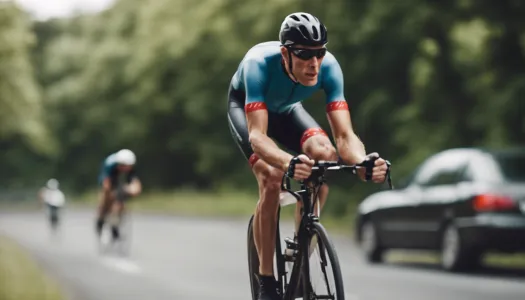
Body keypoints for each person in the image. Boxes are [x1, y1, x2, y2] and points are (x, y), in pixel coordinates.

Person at [227, 12, 390, 300]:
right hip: (247, 110)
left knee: (324, 156)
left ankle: (300, 253)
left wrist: (363, 162)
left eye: (319, 53)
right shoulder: (257, 66)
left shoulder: (329, 68)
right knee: (272, 177)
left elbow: (344, 136)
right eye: (304, 54)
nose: (314, 63)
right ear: (285, 54)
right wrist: (288, 162)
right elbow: (257, 136)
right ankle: (266, 280)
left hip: (288, 110)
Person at [95, 148, 142, 240]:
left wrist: (132, 190)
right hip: (109, 178)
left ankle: (115, 223)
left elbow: (136, 184)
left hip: (120, 185)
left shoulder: (131, 168)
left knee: (121, 198)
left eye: (128, 167)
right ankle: (100, 219)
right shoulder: (110, 164)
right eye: (123, 166)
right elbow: (105, 183)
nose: (125, 169)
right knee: (106, 196)